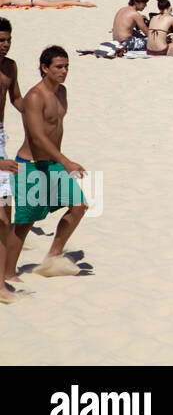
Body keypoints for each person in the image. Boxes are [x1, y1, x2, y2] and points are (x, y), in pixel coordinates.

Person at [6, 46, 86, 280]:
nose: (64, 71)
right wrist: (66, 161)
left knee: (79, 206)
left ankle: (53, 257)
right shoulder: (34, 96)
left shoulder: (62, 92)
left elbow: (55, 129)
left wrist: (61, 161)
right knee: (25, 223)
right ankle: (8, 274)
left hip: (53, 164)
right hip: (31, 165)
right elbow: (38, 136)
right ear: (44, 68)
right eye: (59, 67)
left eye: (67, 66)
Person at [0, 19, 23, 302]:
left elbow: (16, 98)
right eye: (0, 41)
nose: (5, 45)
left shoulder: (10, 67)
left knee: (6, 211)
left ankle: (6, 271)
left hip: (1, 136)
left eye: (8, 39)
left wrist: (36, 111)